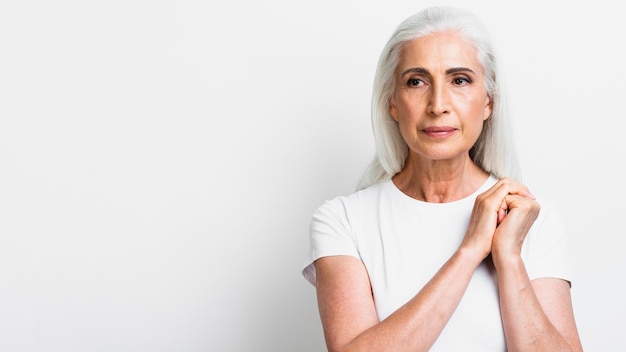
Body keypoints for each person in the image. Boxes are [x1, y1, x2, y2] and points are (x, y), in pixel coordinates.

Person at [302, 6, 583, 352]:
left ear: (488, 102)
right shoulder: (343, 220)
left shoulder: (531, 218)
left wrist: (509, 258)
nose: (438, 104)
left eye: (460, 80)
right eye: (416, 81)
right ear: (392, 102)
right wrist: (470, 251)